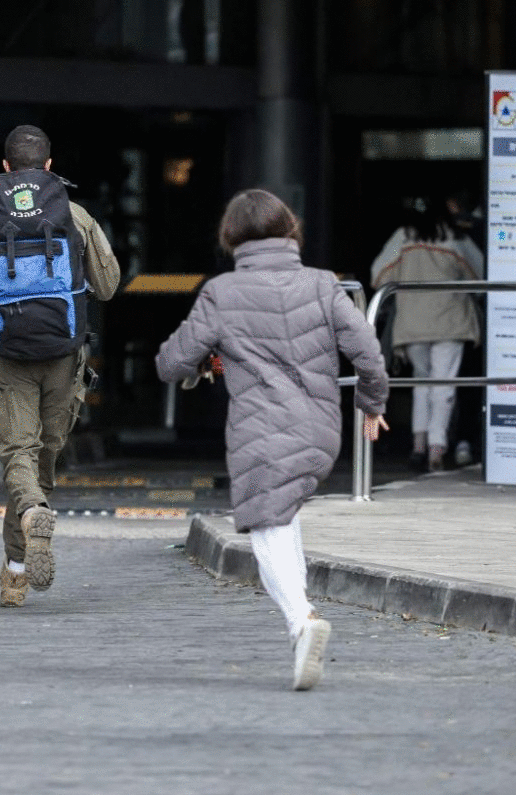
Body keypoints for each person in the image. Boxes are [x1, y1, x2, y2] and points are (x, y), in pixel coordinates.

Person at [155, 188, 389, 691]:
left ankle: (301, 623)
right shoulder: (324, 285)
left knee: (267, 527)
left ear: (231, 237)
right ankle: (303, 623)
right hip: (321, 430)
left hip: (262, 430)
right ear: (291, 229)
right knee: (283, 517)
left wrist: (205, 355)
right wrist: (372, 404)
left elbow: (171, 362)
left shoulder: (222, 293)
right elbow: (366, 351)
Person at [0, 125, 121, 608]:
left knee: (18, 453)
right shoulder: (76, 216)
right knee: (42, 459)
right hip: (65, 354)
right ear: (50, 166)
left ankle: (25, 534)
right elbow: (108, 284)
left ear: (6, 168)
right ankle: (15, 569)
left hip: (8, 353)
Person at [371, 195, 483, 471]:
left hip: (413, 321)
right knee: (443, 386)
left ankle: (418, 445)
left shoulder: (404, 236)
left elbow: (378, 275)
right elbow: (480, 277)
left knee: (421, 383)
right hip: (450, 320)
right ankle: (436, 448)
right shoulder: (455, 238)